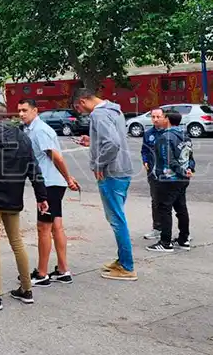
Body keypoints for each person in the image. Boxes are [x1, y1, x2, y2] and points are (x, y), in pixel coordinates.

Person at [0, 102, 48, 311]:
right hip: (14, 196)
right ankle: (26, 289)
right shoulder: (22, 136)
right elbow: (33, 167)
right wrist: (41, 195)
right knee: (17, 242)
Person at [73, 89, 136, 281]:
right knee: (118, 217)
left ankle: (127, 266)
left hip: (111, 173)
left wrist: (99, 162)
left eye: (78, 107)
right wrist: (92, 142)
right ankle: (122, 259)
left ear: (83, 101)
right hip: (123, 169)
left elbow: (113, 143)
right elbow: (113, 139)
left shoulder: (98, 115)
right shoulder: (114, 110)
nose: (80, 111)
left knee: (117, 219)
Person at [18, 99, 80, 286]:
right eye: (19, 110)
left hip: (49, 184)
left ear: (35, 110)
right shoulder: (31, 129)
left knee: (43, 228)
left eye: (25, 110)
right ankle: (63, 270)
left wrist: (68, 178)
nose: (21, 114)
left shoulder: (40, 130)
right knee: (56, 226)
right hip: (52, 182)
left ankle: (42, 273)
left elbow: (57, 157)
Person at [147, 110, 194, 253]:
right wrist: (189, 170)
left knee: (165, 209)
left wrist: (180, 171)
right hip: (183, 179)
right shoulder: (185, 136)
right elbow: (190, 157)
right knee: (181, 209)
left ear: (167, 119)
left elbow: (168, 159)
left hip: (168, 179)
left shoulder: (165, 137)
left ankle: (165, 242)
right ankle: (183, 239)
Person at [141, 108, 167, 240]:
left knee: (175, 202)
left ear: (164, 117)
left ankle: (183, 232)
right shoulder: (148, 133)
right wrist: (145, 161)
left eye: (158, 117)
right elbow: (144, 150)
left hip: (170, 173)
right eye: (153, 117)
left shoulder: (170, 132)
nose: (155, 119)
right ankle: (157, 228)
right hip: (153, 173)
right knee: (156, 200)